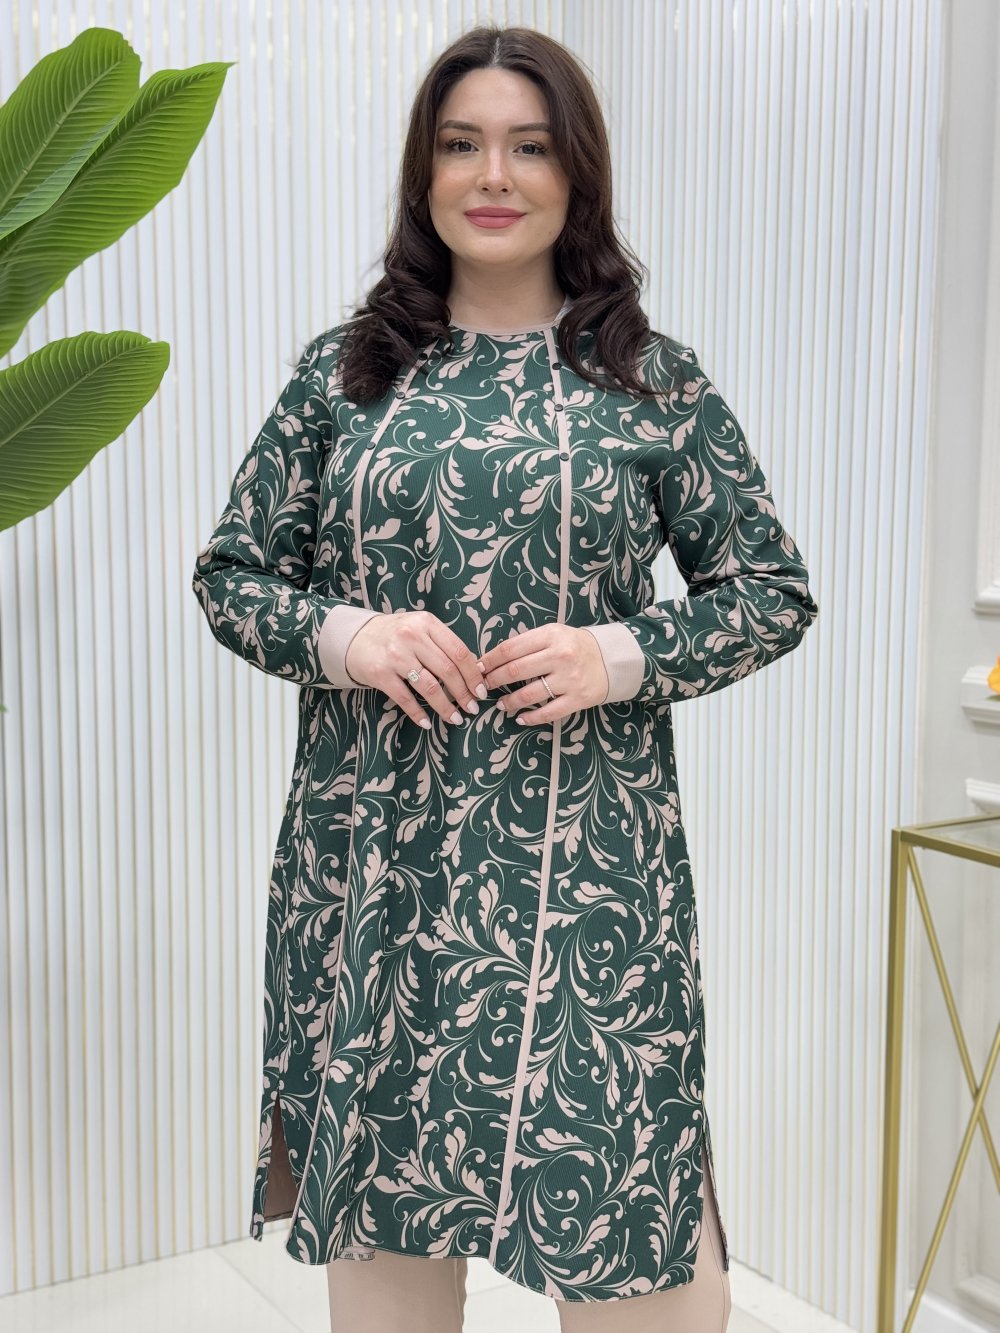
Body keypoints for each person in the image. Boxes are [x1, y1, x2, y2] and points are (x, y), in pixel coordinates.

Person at [191, 23, 818, 1333]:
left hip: (589, 883)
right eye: (461, 144)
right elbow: (234, 573)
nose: (493, 175)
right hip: (378, 876)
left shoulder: (649, 379)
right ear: (423, 173)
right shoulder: (344, 374)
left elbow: (770, 591)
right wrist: (349, 637)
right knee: (389, 1254)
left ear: (576, 173)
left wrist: (617, 653)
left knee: (643, 1257)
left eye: (529, 146)